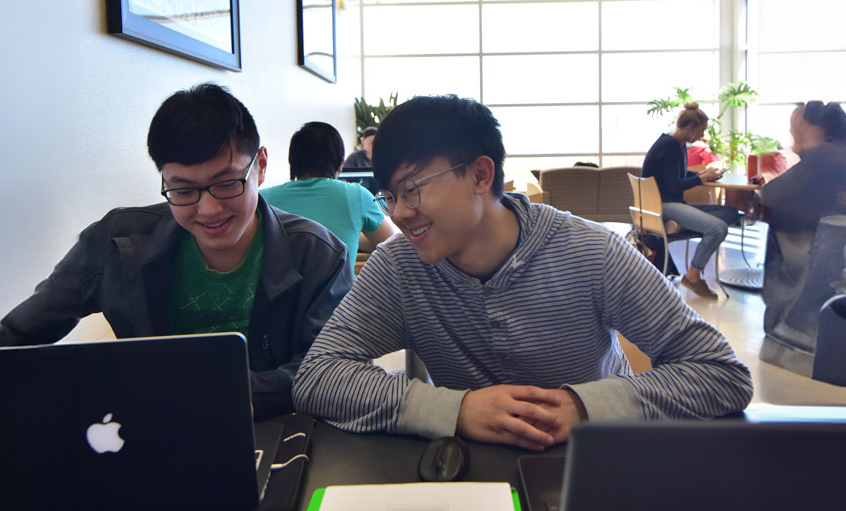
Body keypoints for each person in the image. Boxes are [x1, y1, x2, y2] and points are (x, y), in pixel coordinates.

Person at [292, 95, 753, 451]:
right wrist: (454, 410)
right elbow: (318, 377)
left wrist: (586, 407)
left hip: (592, 467)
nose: (401, 213)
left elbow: (721, 374)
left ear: (480, 175)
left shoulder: (591, 253)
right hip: (472, 477)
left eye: (411, 190)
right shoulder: (399, 267)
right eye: (390, 196)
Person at [0, 83, 353, 420]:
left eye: (226, 184)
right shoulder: (117, 241)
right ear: (163, 179)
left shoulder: (319, 255)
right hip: (143, 438)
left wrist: (202, 396)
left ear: (260, 166)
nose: (208, 210)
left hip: (275, 435)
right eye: (183, 190)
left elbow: (326, 370)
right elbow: (19, 338)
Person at [759, 101, 846, 356]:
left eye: (796, 128)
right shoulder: (834, 156)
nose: (792, 134)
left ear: (815, 130)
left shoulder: (823, 158)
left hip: (806, 321)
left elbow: (769, 198)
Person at [261, 121, 396, 268]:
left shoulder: (261, 200)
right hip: (341, 291)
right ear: (340, 163)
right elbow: (393, 244)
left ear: (292, 162)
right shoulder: (356, 196)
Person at [641, 102, 741, 298]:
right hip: (663, 206)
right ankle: (693, 275)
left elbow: (674, 175)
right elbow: (674, 185)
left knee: (731, 213)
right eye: (701, 130)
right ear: (690, 127)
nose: (702, 135)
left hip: (669, 203)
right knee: (718, 228)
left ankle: (698, 227)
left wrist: (702, 174)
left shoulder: (675, 143)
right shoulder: (670, 146)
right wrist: (701, 178)